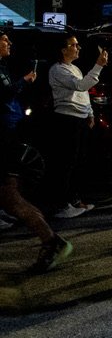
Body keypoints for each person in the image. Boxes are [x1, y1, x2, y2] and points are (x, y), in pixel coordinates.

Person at [0, 31, 73, 273]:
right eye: (5, 39)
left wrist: (22, 83)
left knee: (11, 198)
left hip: (6, 136)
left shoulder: (3, 68)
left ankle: (51, 241)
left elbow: (5, 94)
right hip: (9, 133)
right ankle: (51, 240)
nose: (9, 43)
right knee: (11, 198)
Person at [47, 35, 108, 218]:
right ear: (63, 50)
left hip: (80, 119)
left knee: (79, 161)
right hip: (67, 120)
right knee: (67, 162)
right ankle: (62, 205)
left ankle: (74, 200)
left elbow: (84, 94)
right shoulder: (58, 70)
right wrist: (98, 66)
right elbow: (81, 86)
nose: (78, 47)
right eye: (73, 45)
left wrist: (89, 113)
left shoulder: (74, 68)